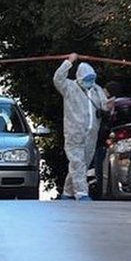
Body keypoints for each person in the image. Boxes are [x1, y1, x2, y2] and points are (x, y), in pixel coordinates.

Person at [53, 52, 109, 201]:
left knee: (80, 164)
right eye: (87, 79)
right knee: (78, 163)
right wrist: (68, 62)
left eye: (92, 78)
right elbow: (58, 79)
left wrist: (109, 107)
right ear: (79, 77)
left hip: (91, 134)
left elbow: (104, 106)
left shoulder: (97, 90)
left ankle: (67, 193)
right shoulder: (69, 88)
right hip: (74, 133)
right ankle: (81, 193)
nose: (90, 81)